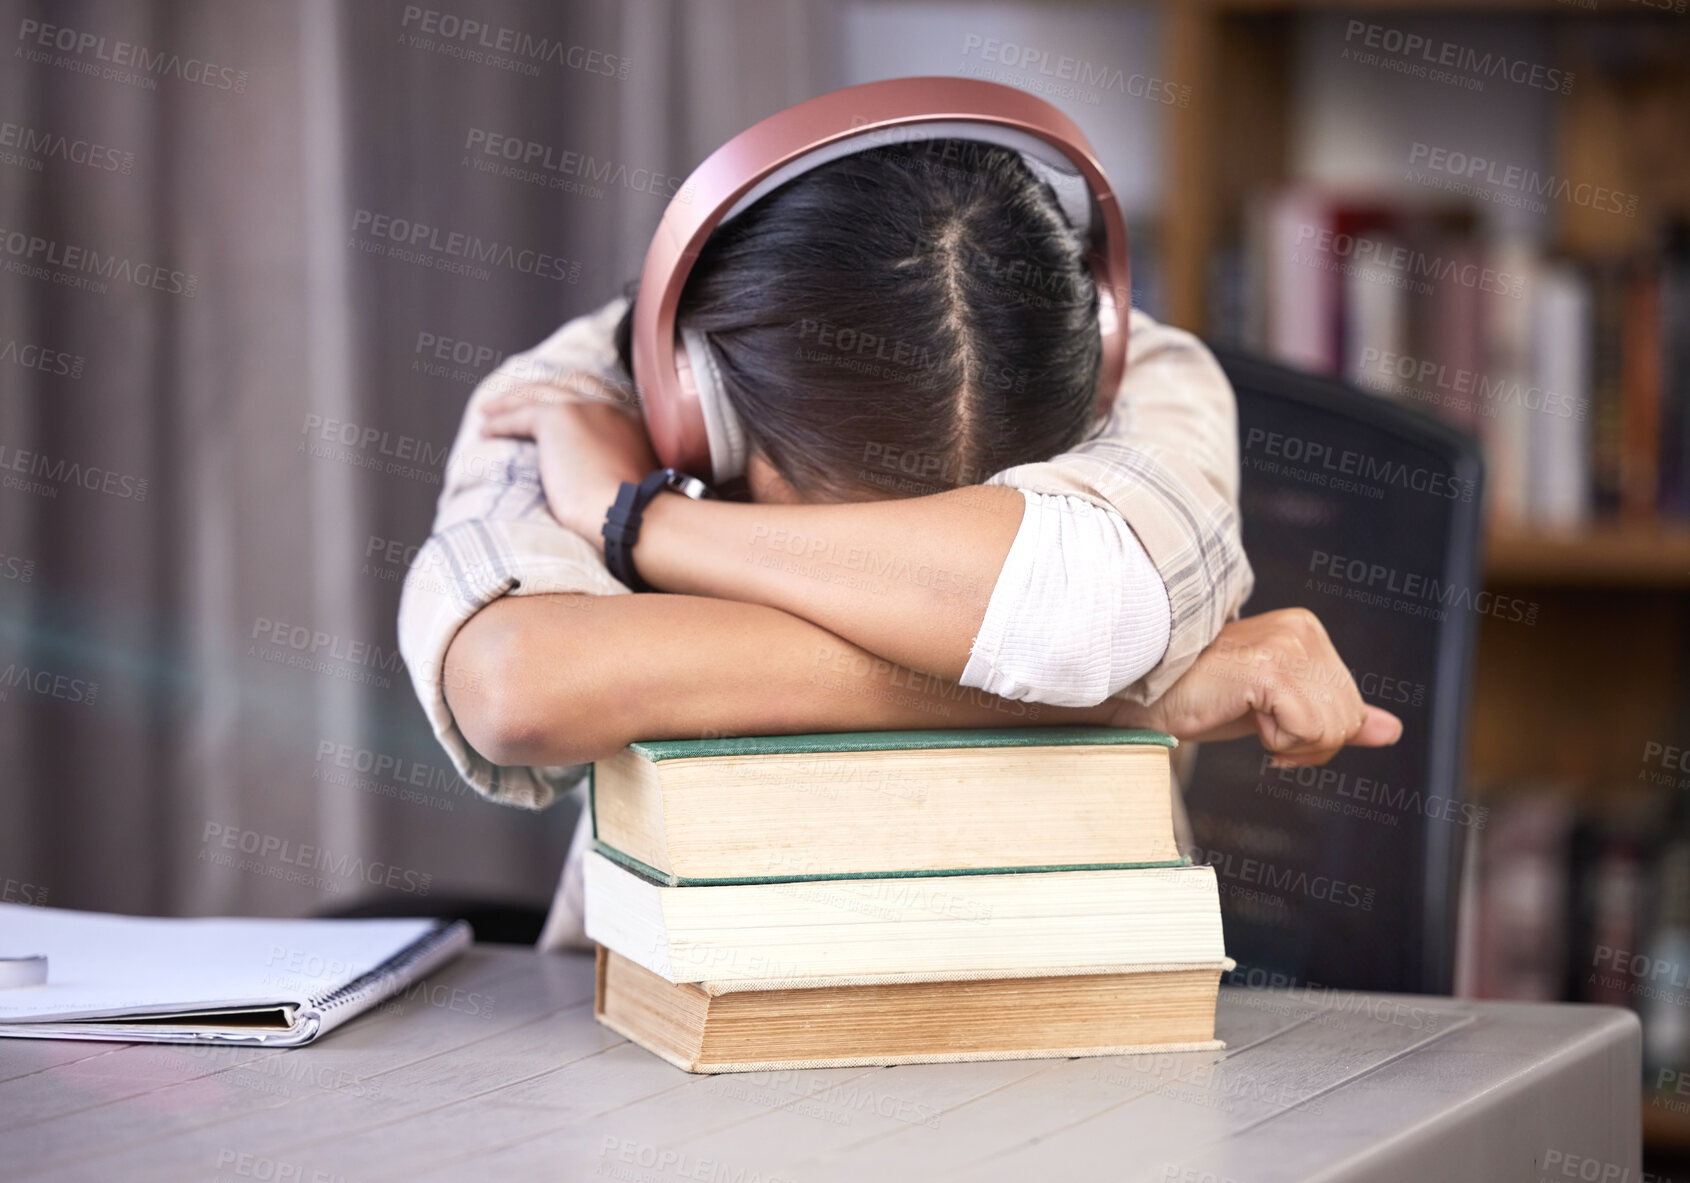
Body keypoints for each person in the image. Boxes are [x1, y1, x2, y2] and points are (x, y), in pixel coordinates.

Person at [396, 138, 1401, 949]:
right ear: (701, 411)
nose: (918, 606)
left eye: (944, 538)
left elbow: (1081, 607)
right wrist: (1148, 687)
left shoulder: (1140, 372)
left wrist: (646, 525)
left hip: (1071, 974)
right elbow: (519, 684)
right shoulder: (577, 396)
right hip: (673, 1011)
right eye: (844, 532)